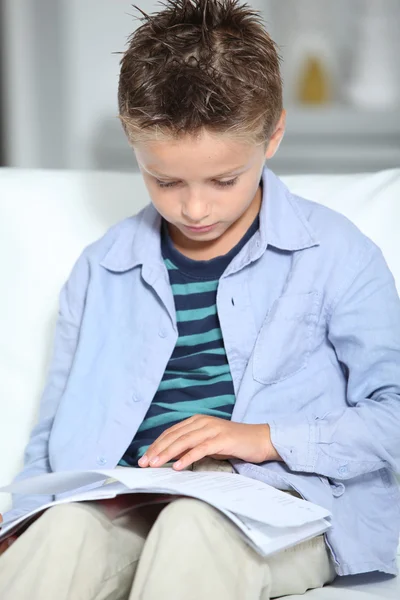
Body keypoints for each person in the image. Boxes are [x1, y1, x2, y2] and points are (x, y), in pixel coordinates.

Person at [1, 1, 400, 598]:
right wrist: (21, 522)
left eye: (222, 180)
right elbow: (53, 427)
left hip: (275, 506)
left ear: (273, 136)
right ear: (133, 141)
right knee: (59, 534)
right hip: (127, 499)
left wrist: (261, 438)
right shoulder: (100, 268)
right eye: (165, 181)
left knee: (194, 530)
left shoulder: (337, 253)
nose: (194, 208)